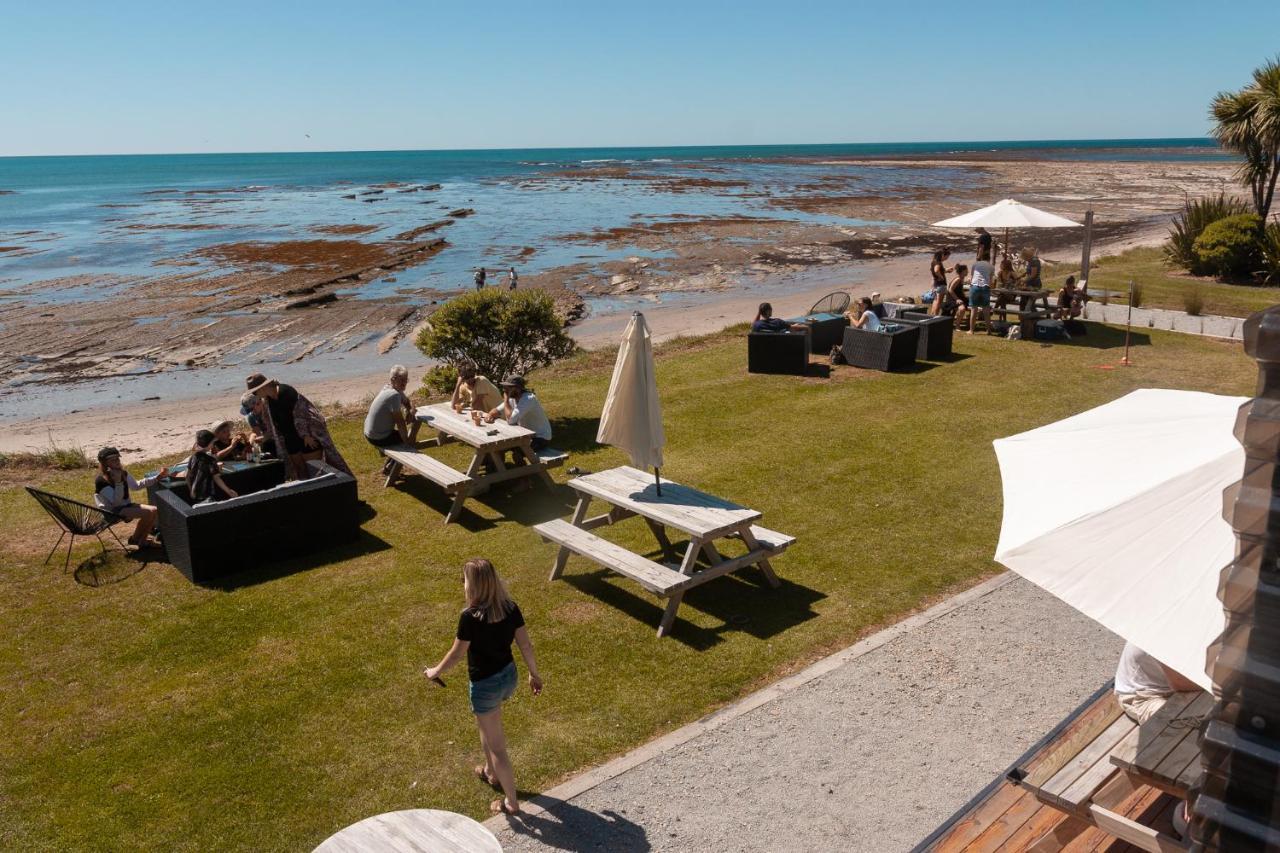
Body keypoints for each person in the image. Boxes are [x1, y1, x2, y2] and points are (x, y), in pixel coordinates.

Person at [423, 558, 542, 817]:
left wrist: (434, 672)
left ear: (474, 586)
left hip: (485, 685)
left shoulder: (470, 618)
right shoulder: (511, 608)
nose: (462, 584)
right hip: (508, 677)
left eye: (464, 580)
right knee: (485, 723)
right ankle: (490, 771)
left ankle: (511, 802)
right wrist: (534, 674)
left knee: (498, 746)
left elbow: (455, 655)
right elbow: (525, 645)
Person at [246, 373, 352, 480]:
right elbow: (274, 425)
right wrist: (264, 438)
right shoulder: (268, 402)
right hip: (289, 440)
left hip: (305, 437)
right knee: (300, 470)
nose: (256, 394)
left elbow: (304, 412)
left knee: (316, 469)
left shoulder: (286, 392)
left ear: (263, 387)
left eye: (255, 391)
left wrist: (306, 435)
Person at [93, 447, 167, 548]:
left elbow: (136, 485)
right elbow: (116, 503)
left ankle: (141, 540)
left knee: (154, 510)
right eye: (113, 460)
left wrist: (157, 478)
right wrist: (118, 482)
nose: (117, 462)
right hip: (112, 512)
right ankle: (136, 539)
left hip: (125, 506)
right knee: (147, 513)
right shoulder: (101, 481)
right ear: (105, 464)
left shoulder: (123, 473)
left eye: (117, 459)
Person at [1114, 641, 1200, 724]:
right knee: (1182, 723)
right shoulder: (1165, 638)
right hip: (1142, 696)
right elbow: (1179, 683)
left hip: (1168, 682)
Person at [486, 375, 552, 452]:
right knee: (497, 445)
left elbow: (510, 420)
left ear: (518, 388)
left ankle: (520, 462)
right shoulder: (513, 397)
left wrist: (506, 400)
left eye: (508, 387)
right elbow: (496, 410)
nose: (505, 390)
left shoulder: (528, 399)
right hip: (525, 434)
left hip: (540, 437)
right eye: (505, 387)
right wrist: (490, 415)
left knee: (516, 449)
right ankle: (495, 464)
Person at [364, 364, 419, 451]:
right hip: (378, 437)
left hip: (369, 434)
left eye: (406, 380)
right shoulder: (394, 395)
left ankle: (392, 463)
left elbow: (408, 402)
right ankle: (411, 457)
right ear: (392, 380)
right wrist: (407, 443)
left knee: (403, 437)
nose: (404, 383)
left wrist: (410, 411)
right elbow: (400, 423)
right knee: (411, 436)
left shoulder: (389, 388)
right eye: (401, 380)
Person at [186, 430, 238, 503]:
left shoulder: (193, 457)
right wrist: (229, 491)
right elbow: (217, 478)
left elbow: (187, 476)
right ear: (208, 444)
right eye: (212, 443)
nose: (213, 445)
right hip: (207, 495)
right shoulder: (211, 461)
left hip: (195, 495)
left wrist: (191, 490)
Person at [239, 392, 276, 458]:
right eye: (249, 410)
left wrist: (264, 438)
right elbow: (258, 433)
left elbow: (278, 429)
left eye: (252, 408)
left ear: (259, 402)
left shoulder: (271, 409)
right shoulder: (251, 417)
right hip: (268, 438)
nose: (251, 411)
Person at [967, 249, 994, 334]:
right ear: (989, 259)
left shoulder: (975, 264)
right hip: (985, 287)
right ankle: (988, 330)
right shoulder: (991, 266)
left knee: (974, 309)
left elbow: (972, 276)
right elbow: (991, 279)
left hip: (975, 286)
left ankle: (971, 330)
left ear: (981, 257)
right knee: (986, 309)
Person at [927, 248, 953, 316]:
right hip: (941, 285)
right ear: (943, 255)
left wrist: (946, 270)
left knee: (935, 301)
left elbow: (937, 271)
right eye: (947, 256)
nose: (947, 258)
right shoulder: (938, 262)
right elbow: (936, 270)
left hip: (936, 284)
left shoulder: (934, 261)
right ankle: (936, 316)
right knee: (939, 302)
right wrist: (941, 277)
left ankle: (932, 315)